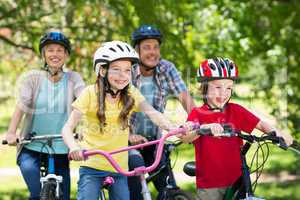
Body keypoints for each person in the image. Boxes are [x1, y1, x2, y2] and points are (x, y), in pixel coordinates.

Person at [62, 41, 177, 200]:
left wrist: (172, 127)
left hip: (119, 168)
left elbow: (153, 113)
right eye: (116, 69)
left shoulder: (131, 93)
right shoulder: (90, 93)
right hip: (92, 166)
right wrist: (74, 147)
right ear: (102, 70)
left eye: (127, 70)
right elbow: (67, 128)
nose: (123, 76)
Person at [179, 57, 294, 200]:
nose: (224, 93)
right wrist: (202, 129)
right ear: (205, 87)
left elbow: (261, 124)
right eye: (218, 87)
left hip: (237, 180)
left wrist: (279, 133)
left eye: (228, 88)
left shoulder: (236, 111)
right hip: (210, 184)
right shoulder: (198, 114)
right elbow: (185, 137)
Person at [4, 31, 85, 200]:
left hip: (62, 147)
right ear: (43, 54)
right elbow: (22, 104)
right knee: (37, 193)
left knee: (63, 196)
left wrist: (87, 128)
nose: (55, 54)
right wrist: (12, 132)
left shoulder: (73, 78)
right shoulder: (33, 79)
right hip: (31, 146)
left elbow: (85, 101)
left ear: (66, 55)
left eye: (59, 50)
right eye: (50, 50)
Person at [128, 24, 196, 200]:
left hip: (156, 140)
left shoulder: (167, 68)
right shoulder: (126, 71)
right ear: (136, 51)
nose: (153, 52)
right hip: (127, 142)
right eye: (147, 47)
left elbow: (186, 99)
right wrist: (129, 134)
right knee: (135, 192)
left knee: (169, 191)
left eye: (156, 47)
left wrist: (196, 124)